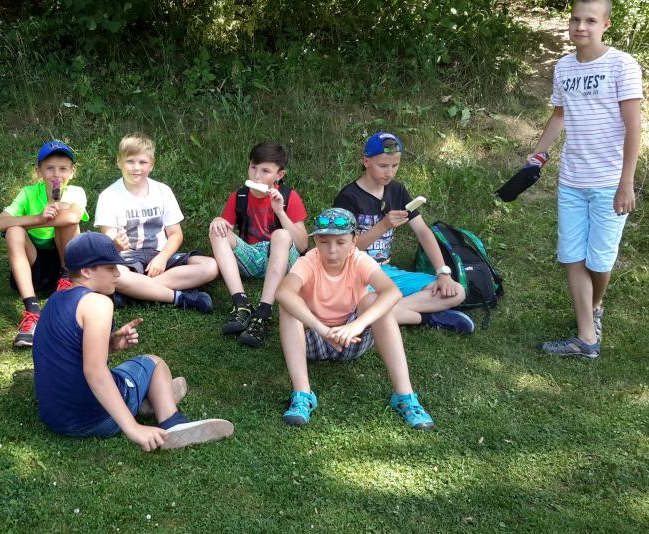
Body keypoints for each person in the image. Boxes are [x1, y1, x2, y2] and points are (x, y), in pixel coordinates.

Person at [32, 232, 235, 450]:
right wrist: (133, 428)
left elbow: (68, 351)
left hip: (55, 418)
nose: (117, 274)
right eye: (110, 268)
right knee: (154, 363)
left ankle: (150, 400)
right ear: (86, 271)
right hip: (95, 418)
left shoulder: (54, 300)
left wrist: (111, 344)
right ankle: (172, 422)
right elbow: (95, 372)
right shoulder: (98, 303)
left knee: (135, 375)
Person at [529, 0, 642, 359]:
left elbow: (633, 127)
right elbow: (559, 115)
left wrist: (626, 183)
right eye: (575, 19)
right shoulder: (563, 67)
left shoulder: (622, 65)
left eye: (590, 20)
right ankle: (586, 337)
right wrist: (538, 152)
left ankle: (594, 307)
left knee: (599, 262)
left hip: (609, 182)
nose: (581, 26)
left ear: (606, 24)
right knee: (573, 257)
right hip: (572, 181)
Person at [275, 208, 435, 430]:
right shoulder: (309, 261)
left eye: (340, 242)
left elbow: (392, 292)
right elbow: (283, 292)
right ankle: (302, 393)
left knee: (374, 301)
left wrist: (356, 325)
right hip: (314, 339)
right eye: (324, 242)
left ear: (354, 241)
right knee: (288, 306)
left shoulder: (360, 259)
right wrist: (322, 330)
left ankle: (404, 395)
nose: (332, 250)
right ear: (316, 241)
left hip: (353, 339)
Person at [333, 132, 474, 334]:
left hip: (386, 272)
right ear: (366, 161)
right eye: (383, 166)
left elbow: (423, 232)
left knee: (456, 292)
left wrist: (443, 272)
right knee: (357, 306)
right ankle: (426, 317)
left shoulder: (396, 190)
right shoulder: (348, 198)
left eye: (395, 165)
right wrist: (383, 226)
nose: (390, 173)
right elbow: (343, 250)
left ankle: (384, 313)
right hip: (357, 274)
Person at [94, 132, 218, 312]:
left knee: (210, 266)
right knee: (115, 276)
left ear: (151, 165)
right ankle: (180, 297)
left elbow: (175, 234)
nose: (136, 167)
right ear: (119, 162)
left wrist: (162, 258)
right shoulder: (109, 196)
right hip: (128, 259)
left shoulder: (162, 191)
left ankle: (134, 292)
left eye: (143, 162)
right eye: (130, 161)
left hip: (159, 255)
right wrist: (117, 244)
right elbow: (109, 241)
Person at [0, 140, 89, 347]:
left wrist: (54, 213)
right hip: (34, 265)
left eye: (63, 169)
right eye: (50, 168)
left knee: (66, 219)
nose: (56, 175)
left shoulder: (75, 192)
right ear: (39, 172)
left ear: (72, 172)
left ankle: (66, 283)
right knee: (13, 231)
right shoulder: (28, 193)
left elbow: (74, 217)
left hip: (65, 262)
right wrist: (38, 218)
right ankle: (32, 310)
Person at [209, 142, 308, 347]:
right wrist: (218, 221)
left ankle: (263, 313)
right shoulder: (239, 196)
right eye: (253, 167)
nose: (256, 176)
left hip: (282, 260)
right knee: (217, 231)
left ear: (279, 175)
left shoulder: (289, 197)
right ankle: (241, 304)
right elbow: (226, 230)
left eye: (265, 171)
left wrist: (280, 212)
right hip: (252, 258)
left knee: (281, 235)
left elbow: (302, 245)